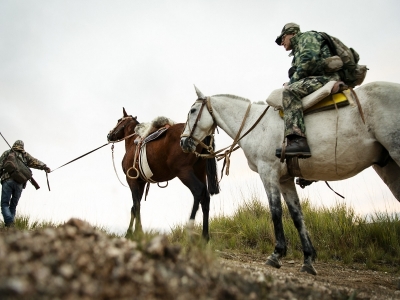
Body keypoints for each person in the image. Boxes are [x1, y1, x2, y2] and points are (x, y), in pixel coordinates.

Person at [274, 23, 341, 159]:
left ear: (291, 33)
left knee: (289, 92)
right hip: (318, 77)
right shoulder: (297, 50)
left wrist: (291, 83)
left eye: (282, 38)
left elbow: (308, 61)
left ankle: (298, 141)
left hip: (325, 78)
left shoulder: (307, 37)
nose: (282, 43)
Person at [0, 140, 50, 227]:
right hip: (20, 182)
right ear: (22, 147)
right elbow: (36, 162)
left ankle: (9, 223)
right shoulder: (25, 155)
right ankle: (10, 225)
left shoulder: (8, 153)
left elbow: (0, 166)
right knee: (13, 205)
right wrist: (45, 167)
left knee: (4, 204)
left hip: (7, 180)